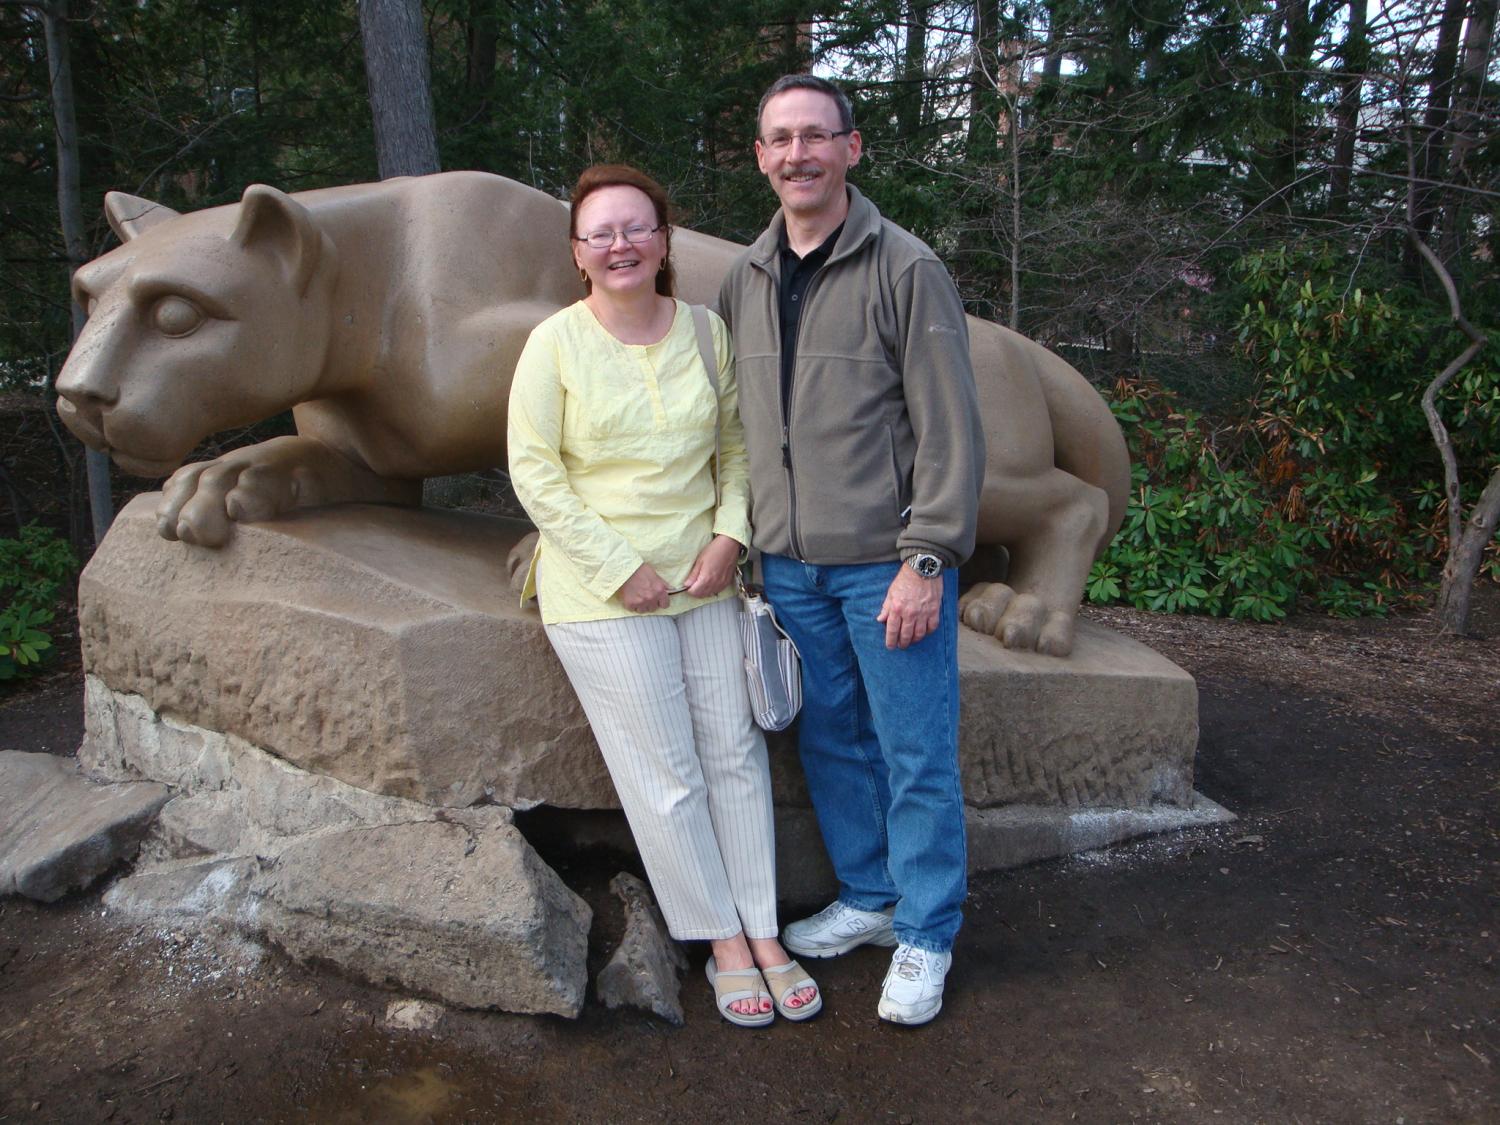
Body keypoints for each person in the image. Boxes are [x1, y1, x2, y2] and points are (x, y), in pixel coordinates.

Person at [507, 164, 819, 1028]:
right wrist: (617, 565)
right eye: (600, 232)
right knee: (669, 775)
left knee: (735, 753)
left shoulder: (707, 333)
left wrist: (729, 537)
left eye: (636, 227)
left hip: (705, 579)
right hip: (604, 596)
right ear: (577, 252)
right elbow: (536, 472)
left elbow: (737, 448)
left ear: (665, 238)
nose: (620, 245)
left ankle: (764, 927)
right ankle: (718, 938)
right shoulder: (555, 345)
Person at [717, 76, 985, 1026]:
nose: (798, 155)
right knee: (831, 740)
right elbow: (741, 431)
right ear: (761, 157)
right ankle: (871, 898)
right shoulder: (742, 278)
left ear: (852, 148)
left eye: (815, 137)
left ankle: (927, 931)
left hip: (886, 564)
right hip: (789, 569)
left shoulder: (904, 268)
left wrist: (928, 557)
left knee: (915, 752)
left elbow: (950, 429)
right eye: (780, 139)